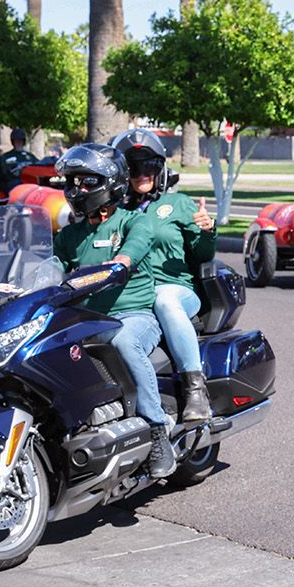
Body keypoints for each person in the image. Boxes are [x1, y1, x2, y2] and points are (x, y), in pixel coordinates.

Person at [52, 143, 175, 478]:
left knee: (124, 342)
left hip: (133, 316)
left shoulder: (135, 222)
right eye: (73, 182)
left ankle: (156, 430)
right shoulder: (69, 235)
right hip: (85, 321)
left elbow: (135, 248)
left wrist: (121, 261)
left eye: (87, 181)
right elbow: (51, 267)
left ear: (112, 182)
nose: (77, 189)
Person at [111, 128, 217, 422]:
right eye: (133, 167)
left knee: (164, 298)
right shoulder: (114, 211)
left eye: (150, 166)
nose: (142, 174)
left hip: (176, 290)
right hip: (133, 296)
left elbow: (202, 254)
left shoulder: (178, 204)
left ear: (160, 169)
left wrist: (207, 230)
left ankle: (195, 388)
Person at [0, 128, 38, 193]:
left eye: (20, 140)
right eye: (17, 141)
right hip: (12, 184)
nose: (19, 143)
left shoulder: (30, 157)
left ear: (23, 141)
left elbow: (39, 166)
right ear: (13, 142)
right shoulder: (5, 157)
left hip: (29, 183)